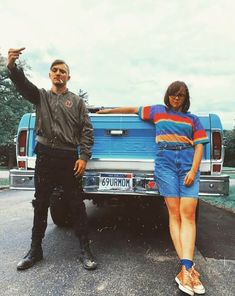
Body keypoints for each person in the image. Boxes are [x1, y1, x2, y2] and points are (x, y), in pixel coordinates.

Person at [97, 81, 208, 295]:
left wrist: (193, 171)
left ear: (186, 98)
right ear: (167, 95)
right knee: (174, 213)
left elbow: (200, 145)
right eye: (174, 95)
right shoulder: (157, 111)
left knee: (189, 214)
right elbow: (132, 109)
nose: (177, 98)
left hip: (187, 163)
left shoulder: (193, 119)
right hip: (165, 163)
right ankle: (187, 268)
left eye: (181, 96)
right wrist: (108, 111)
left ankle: (186, 270)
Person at [7, 47, 97, 271]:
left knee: (76, 204)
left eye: (63, 71)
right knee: (41, 204)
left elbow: (86, 130)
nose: (58, 74)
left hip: (68, 157)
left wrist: (84, 156)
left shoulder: (76, 102)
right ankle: (35, 251)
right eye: (54, 70)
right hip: (45, 156)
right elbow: (22, 85)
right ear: (50, 75)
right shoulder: (41, 97)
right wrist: (11, 66)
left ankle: (85, 250)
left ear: (68, 76)